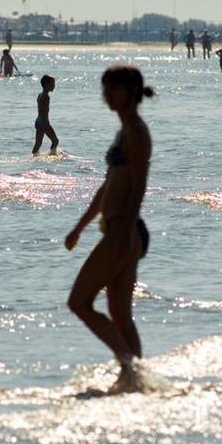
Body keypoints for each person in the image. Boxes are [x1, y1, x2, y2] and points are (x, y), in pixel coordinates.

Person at [64, 66, 154, 394]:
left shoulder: (137, 133)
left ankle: (127, 362)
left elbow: (139, 186)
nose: (108, 95)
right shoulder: (122, 132)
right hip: (116, 229)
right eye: (105, 89)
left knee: (79, 302)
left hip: (125, 231)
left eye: (114, 89)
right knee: (120, 315)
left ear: (131, 92)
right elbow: (107, 187)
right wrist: (79, 227)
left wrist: (125, 232)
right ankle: (134, 381)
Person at [32, 74, 59, 155]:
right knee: (55, 141)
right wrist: (46, 125)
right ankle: (52, 155)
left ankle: (34, 156)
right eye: (52, 84)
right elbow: (44, 112)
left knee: (38, 144)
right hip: (43, 122)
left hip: (39, 121)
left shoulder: (40, 95)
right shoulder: (46, 97)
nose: (54, 86)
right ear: (47, 85)